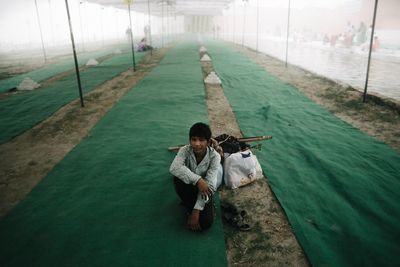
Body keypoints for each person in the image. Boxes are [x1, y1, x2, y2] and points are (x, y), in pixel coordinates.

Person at [170, 122, 222, 231]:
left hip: (206, 190)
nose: (197, 144)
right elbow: (174, 168)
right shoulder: (185, 150)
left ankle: (204, 206)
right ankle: (190, 203)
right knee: (177, 178)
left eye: (201, 140)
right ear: (190, 141)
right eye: (194, 139)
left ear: (208, 142)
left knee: (206, 223)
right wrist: (198, 179)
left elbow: (210, 187)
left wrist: (196, 211)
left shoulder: (215, 157)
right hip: (195, 185)